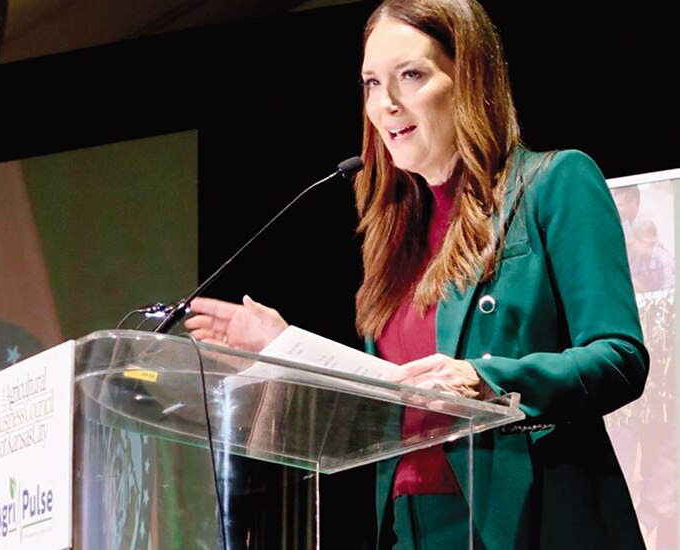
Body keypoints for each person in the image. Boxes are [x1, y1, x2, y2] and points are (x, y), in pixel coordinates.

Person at [185, 0, 649, 548]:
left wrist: (487, 378)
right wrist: (285, 350)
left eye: (411, 75)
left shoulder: (555, 183)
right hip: (410, 527)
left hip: (531, 519)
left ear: (469, 79)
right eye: (372, 83)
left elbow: (620, 357)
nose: (386, 104)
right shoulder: (395, 240)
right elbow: (393, 399)